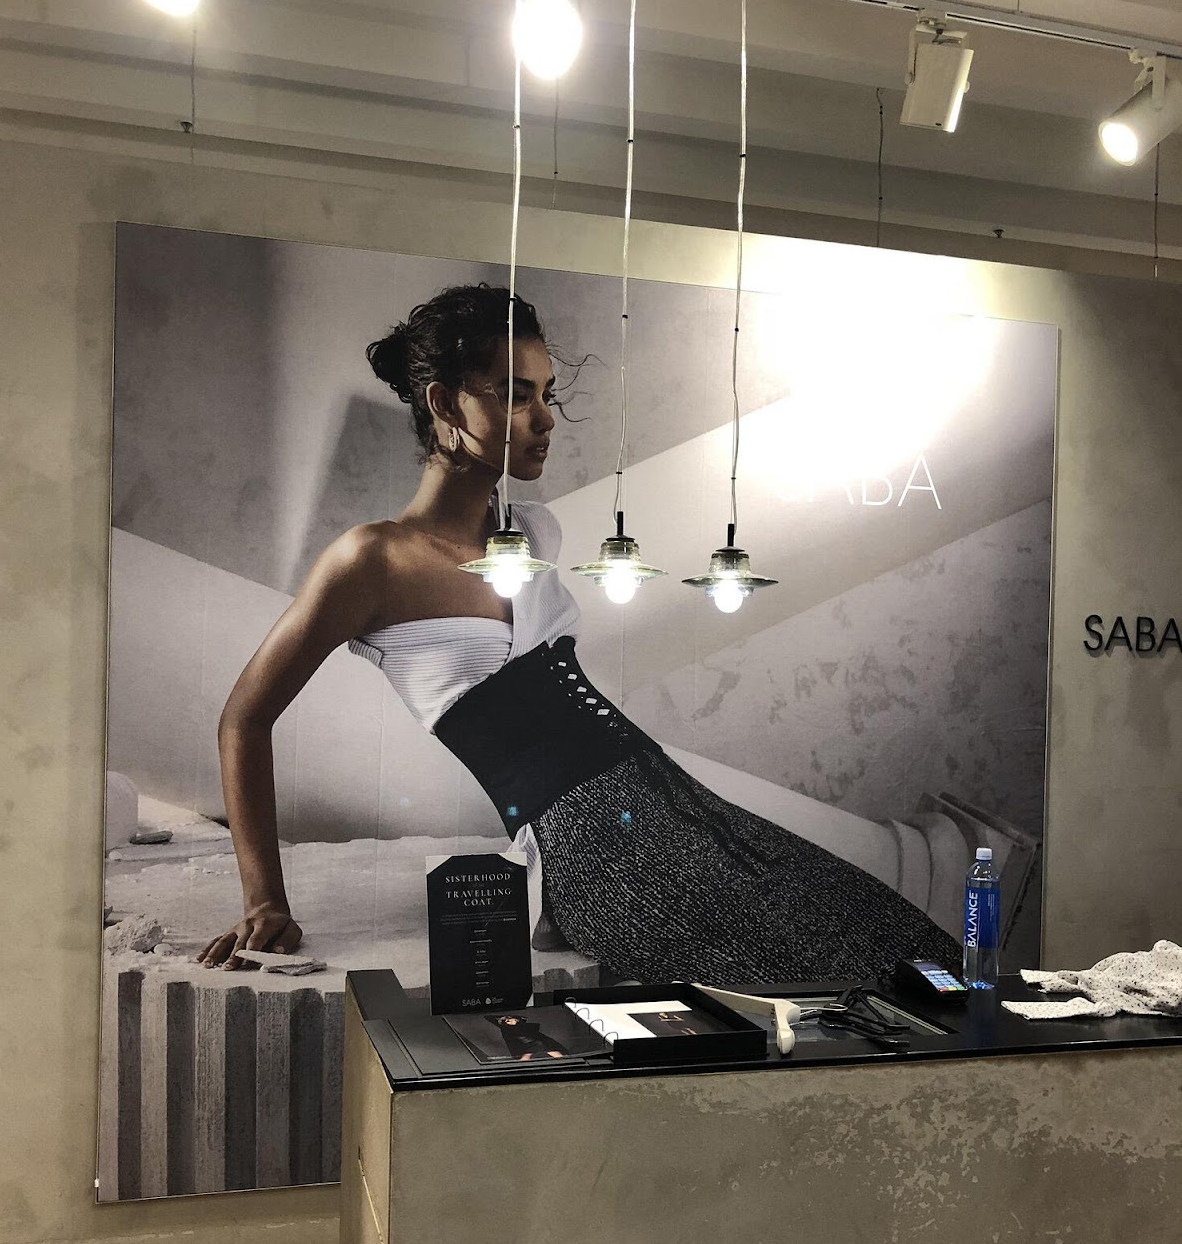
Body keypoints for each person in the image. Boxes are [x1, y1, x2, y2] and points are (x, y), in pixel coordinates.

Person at [200, 282, 958, 985]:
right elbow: (244, 719)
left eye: (548, 394)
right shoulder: (372, 560)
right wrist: (265, 898)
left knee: (911, 947)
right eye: (515, 394)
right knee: (847, 983)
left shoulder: (534, 533)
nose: (545, 419)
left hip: (678, 808)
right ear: (444, 402)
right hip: (598, 855)